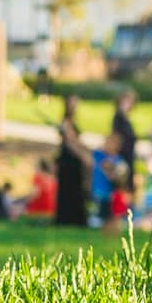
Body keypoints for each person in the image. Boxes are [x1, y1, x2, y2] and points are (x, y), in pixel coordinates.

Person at [53, 95, 89, 228]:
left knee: (74, 190)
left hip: (74, 159)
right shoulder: (66, 122)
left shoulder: (71, 121)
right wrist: (84, 156)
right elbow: (70, 142)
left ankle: (74, 218)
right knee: (69, 190)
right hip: (69, 160)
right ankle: (68, 219)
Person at [111, 90, 140, 197]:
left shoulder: (124, 117)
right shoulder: (119, 117)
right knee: (124, 185)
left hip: (128, 154)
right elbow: (118, 137)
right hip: (123, 154)